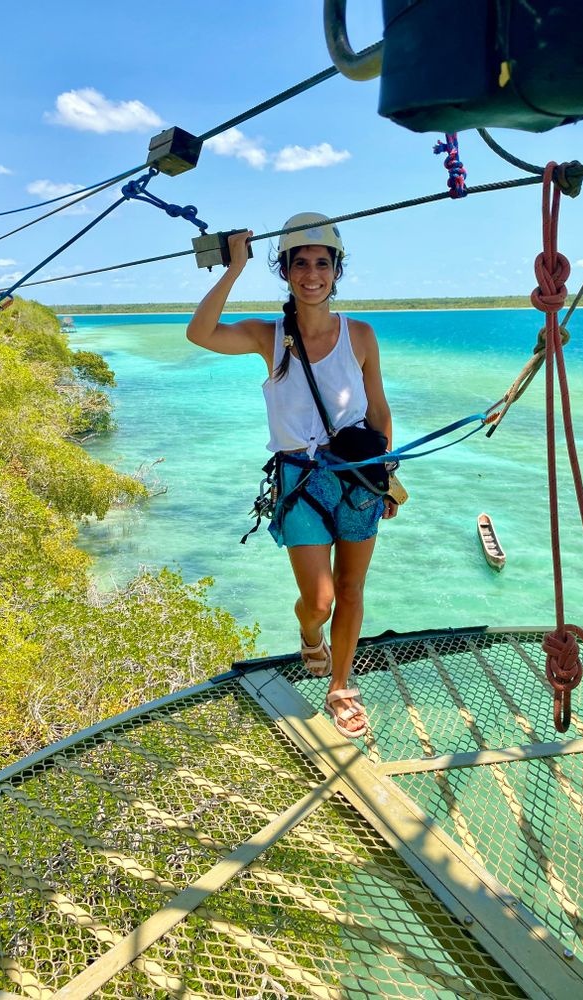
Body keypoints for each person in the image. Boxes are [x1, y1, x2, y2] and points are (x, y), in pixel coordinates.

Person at [186, 212, 398, 739]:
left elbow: (378, 411)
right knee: (320, 602)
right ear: (284, 271)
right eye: (300, 264)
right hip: (301, 479)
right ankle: (310, 632)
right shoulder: (270, 336)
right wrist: (234, 268)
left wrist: (386, 478)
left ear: (336, 271)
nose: (312, 274)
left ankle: (341, 687)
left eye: (322, 264)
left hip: (358, 476)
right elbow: (200, 332)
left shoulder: (361, 335)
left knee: (351, 589)